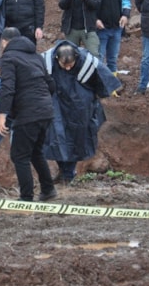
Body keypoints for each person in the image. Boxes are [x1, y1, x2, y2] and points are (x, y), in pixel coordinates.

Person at [42, 41, 120, 184]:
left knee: (77, 140)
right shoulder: (46, 61)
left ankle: (69, 173)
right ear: (56, 59)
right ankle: (63, 171)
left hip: (79, 107)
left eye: (70, 65)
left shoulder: (87, 61)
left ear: (76, 57)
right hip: (56, 105)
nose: (67, 68)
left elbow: (103, 81)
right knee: (56, 138)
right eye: (64, 65)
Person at [0, 27, 57, 202]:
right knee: (36, 152)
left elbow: (7, 88)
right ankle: (48, 189)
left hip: (29, 112)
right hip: (46, 110)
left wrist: (3, 114)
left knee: (19, 155)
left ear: (4, 42)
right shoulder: (36, 56)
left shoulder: (8, 57)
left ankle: (26, 197)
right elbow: (51, 84)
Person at [93, 0, 131, 74]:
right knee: (99, 58)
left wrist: (125, 15)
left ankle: (112, 82)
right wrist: (95, 20)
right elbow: (89, 5)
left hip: (117, 28)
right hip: (101, 29)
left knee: (113, 59)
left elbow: (126, 1)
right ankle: (99, 82)